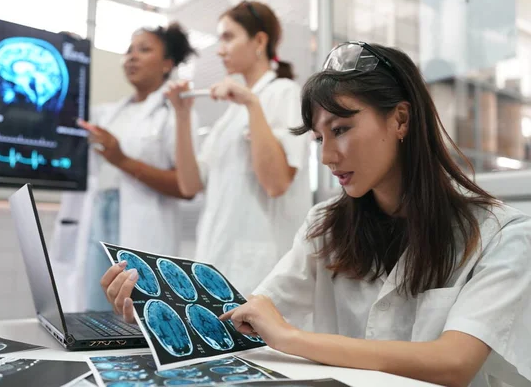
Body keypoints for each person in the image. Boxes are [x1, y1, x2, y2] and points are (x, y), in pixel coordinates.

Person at [101, 42, 531, 387]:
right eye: (318, 138)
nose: (327, 156)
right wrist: (155, 310)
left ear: (400, 119)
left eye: (341, 129)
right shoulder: (326, 224)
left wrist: (292, 339)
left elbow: (453, 363)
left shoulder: (501, 234)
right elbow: (253, 311)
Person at [165, 0, 312, 295]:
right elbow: (190, 184)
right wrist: (182, 115)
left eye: (228, 37)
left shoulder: (284, 93)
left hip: (261, 272)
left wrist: (252, 105)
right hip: (215, 261)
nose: (220, 49)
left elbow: (277, 183)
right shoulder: (230, 115)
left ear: (259, 40)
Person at [51, 23, 197, 311]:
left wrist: (122, 160)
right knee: (93, 312)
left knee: (134, 316)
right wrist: (68, 59)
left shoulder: (176, 114)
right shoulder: (108, 113)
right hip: (97, 221)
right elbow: (67, 117)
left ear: (167, 64)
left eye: (144, 50)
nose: (132, 57)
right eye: (129, 50)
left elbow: (186, 187)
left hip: (144, 230)